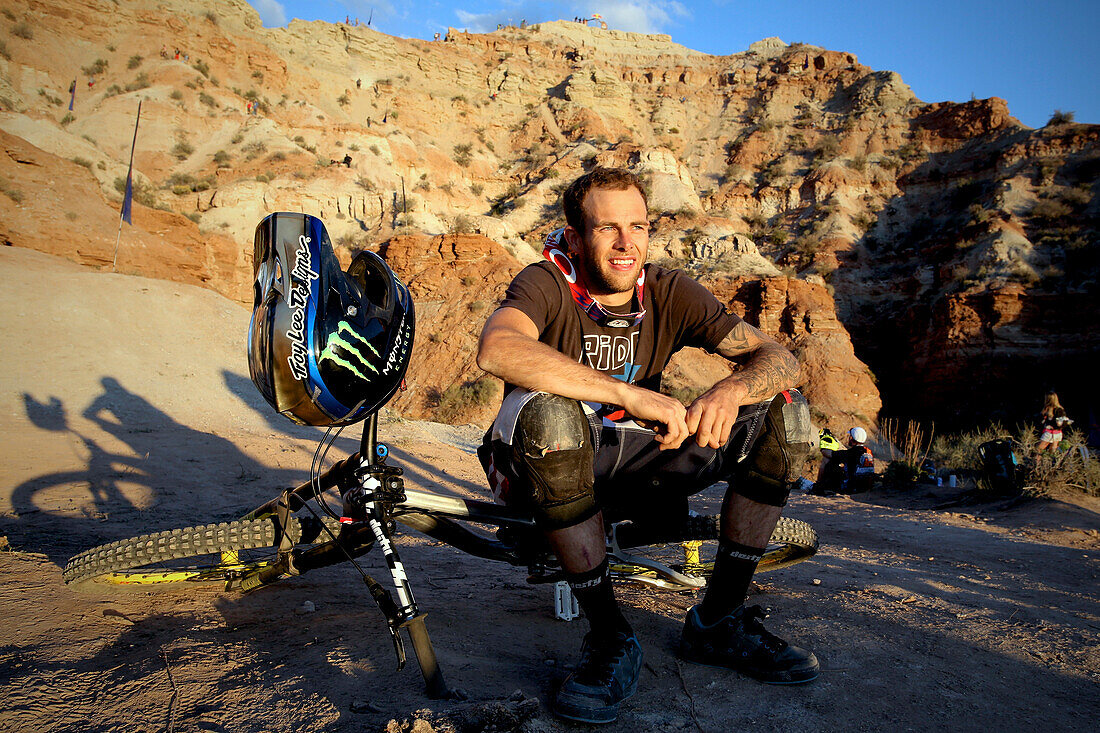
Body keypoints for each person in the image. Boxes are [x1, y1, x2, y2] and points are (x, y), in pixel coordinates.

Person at [475, 167, 819, 724]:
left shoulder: (666, 289)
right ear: (574, 235)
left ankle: (719, 620)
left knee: (789, 411)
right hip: (545, 461)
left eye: (637, 226)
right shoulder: (544, 283)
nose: (625, 242)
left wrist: (730, 391)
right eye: (607, 227)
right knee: (551, 416)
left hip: (635, 458)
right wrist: (625, 394)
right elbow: (498, 349)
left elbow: (779, 357)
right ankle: (611, 637)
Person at [815, 426, 874, 493]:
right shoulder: (868, 451)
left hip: (852, 488)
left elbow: (827, 453)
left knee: (826, 460)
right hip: (867, 486)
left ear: (851, 438)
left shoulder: (851, 453)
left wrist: (823, 441)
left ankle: (818, 486)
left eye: (849, 436)